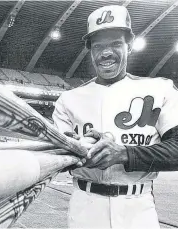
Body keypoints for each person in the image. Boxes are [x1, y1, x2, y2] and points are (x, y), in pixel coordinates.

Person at [52, 5, 178, 229]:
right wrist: (72, 152)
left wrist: (123, 153)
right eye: (98, 46)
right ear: (90, 51)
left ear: (129, 46)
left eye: (115, 44)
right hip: (85, 209)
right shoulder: (68, 100)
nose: (106, 53)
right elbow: (53, 160)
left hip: (138, 210)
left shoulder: (161, 89)